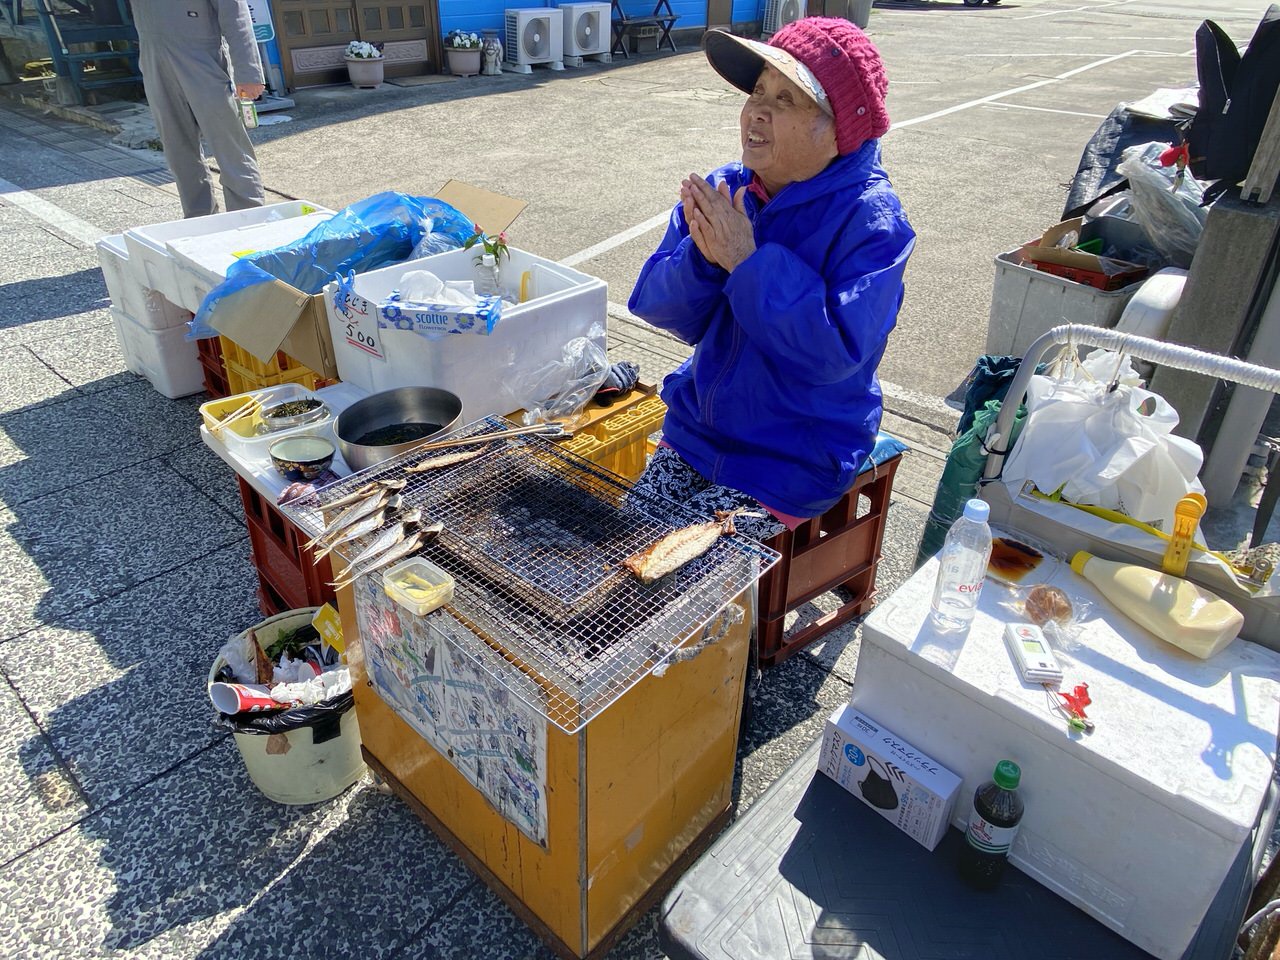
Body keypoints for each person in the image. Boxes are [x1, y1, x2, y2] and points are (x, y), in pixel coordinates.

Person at [627, 17, 915, 543]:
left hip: (793, 458)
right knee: (623, 550)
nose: (757, 110)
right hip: (698, 432)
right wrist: (705, 258)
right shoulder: (726, 190)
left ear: (838, 129)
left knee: (682, 590)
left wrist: (748, 261)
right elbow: (659, 309)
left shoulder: (872, 223)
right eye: (758, 90)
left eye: (787, 99)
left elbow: (831, 355)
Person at [131, 0, 266, 218]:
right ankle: (198, 217)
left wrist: (248, 72)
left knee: (228, 145)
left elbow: (236, 16)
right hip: (153, 56)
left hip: (203, 56)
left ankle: (248, 216)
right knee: (177, 147)